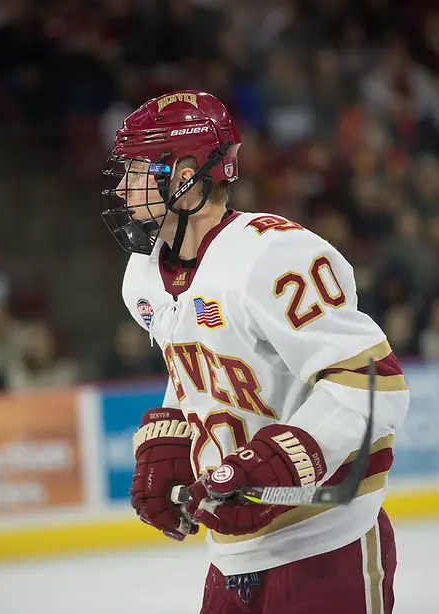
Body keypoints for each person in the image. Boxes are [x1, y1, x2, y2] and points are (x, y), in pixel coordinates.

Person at [101, 90, 409, 613]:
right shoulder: (145, 276)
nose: (124, 188)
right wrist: (174, 437)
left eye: (136, 170)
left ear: (183, 174)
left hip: (326, 543)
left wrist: (276, 464)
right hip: (231, 561)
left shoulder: (274, 255)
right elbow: (199, 364)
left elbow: (374, 388)